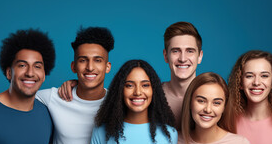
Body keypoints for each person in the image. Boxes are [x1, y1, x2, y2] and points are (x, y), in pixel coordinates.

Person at [58, 21, 203, 129]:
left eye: (190, 51)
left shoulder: (216, 97)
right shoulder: (149, 95)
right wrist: (78, 84)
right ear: (166, 56)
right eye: (175, 51)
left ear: (200, 56)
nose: (183, 58)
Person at [36, 27, 114, 144]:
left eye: (97, 60)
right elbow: (18, 98)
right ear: (73, 66)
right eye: (83, 60)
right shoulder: (53, 98)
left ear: (107, 66)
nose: (89, 67)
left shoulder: (118, 104)